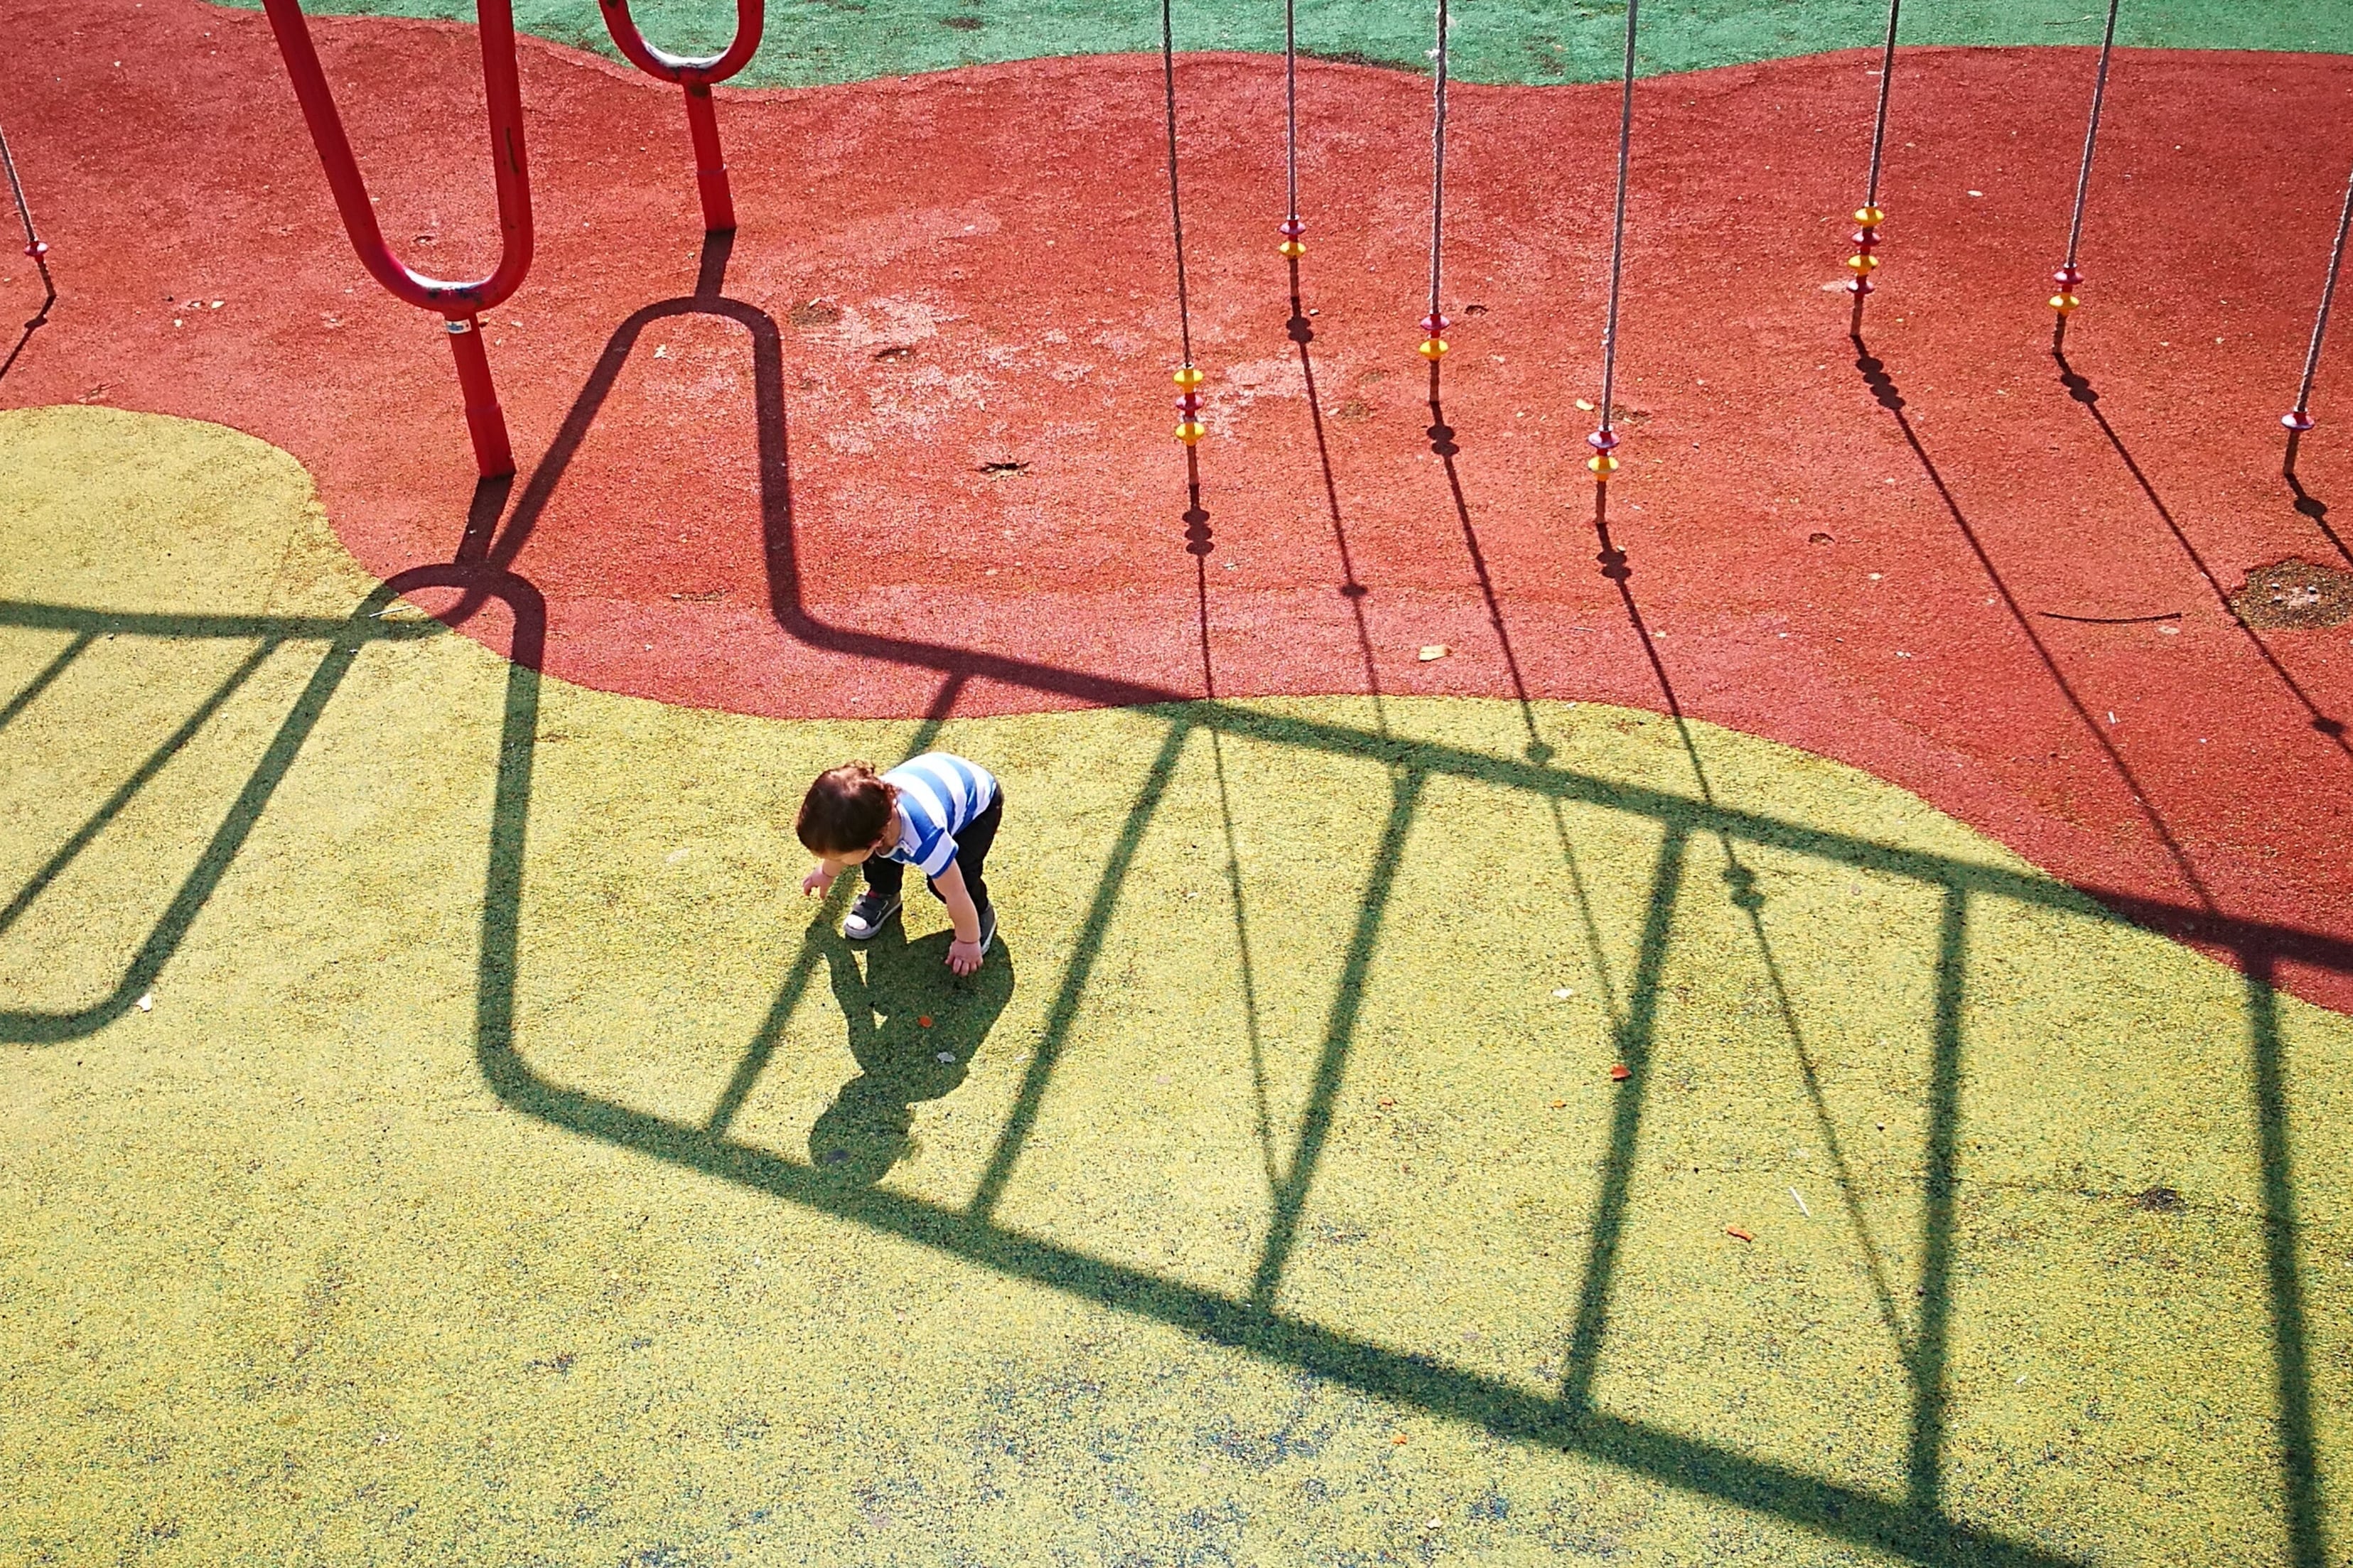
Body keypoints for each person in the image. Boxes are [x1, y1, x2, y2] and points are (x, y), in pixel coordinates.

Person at [797, 752, 1001, 975]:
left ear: (875, 840)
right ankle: (884, 894)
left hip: (977, 804)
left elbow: (956, 893)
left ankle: (980, 914)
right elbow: (844, 846)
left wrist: (967, 941)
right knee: (877, 856)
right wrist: (825, 874)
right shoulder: (871, 811)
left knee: (957, 875)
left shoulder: (925, 836)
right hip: (930, 778)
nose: (835, 862)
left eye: (838, 859)